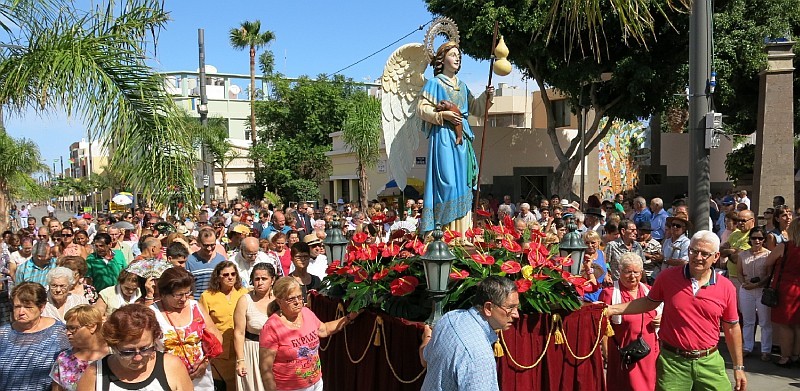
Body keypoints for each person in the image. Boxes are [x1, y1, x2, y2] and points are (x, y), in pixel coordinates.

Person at [608, 231, 746, 391]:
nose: (698, 257)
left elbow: (732, 328)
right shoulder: (667, 277)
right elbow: (647, 303)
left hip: (710, 362)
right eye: (694, 251)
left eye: (705, 254)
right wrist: (611, 309)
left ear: (716, 257)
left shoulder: (726, 286)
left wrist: (738, 367)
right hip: (673, 363)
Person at [416, 40, 493, 236]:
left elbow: (476, 108)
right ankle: (443, 231)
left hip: (463, 138)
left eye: (459, 55)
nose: (457, 58)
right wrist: (442, 116)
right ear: (442, 59)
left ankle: (462, 234)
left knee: (463, 183)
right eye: (453, 54)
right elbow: (422, 109)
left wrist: (487, 95)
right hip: (443, 136)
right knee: (447, 182)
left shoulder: (462, 85)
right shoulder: (434, 83)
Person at [258, 277, 357, 391]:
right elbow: (266, 368)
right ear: (279, 301)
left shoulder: (306, 312)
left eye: (300, 297)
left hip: (316, 383)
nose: (297, 302)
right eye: (291, 299)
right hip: (290, 388)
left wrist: (349, 318)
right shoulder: (271, 327)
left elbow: (323, 329)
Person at [421, 276, 518, 390]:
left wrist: (427, 337)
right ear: (488, 308)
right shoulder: (479, 355)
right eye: (510, 308)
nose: (516, 314)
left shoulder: (449, 318)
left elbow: (425, 359)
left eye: (517, 307)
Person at [76, 303, 193, 391]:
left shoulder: (171, 366)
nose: (138, 358)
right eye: (128, 352)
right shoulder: (95, 374)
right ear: (113, 346)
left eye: (146, 349)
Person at [151, 267, 222, 390]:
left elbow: (216, 337)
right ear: (163, 294)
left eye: (187, 293)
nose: (184, 299)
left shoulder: (196, 307)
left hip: (201, 378)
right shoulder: (152, 313)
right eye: (178, 295)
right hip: (168, 376)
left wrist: (205, 363)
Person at [600, 253, 660, 390]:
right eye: (627, 272)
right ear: (619, 271)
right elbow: (602, 326)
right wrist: (605, 350)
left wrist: (661, 319)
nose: (632, 276)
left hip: (649, 353)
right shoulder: (610, 293)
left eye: (636, 272)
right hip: (624, 353)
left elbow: (664, 313)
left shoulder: (650, 292)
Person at [0, 282, 70, 391]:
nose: (21, 312)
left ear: (42, 307)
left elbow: (69, 372)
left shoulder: (61, 333)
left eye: (28, 307)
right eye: (17, 306)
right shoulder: (3, 333)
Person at [199, 261, 249, 389]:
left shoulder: (244, 293)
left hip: (243, 349)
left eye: (233, 274)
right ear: (218, 277)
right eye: (225, 275)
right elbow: (202, 324)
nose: (230, 277)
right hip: (220, 352)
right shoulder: (207, 296)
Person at [233, 263, 277, 391]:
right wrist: (240, 360)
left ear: (272, 280)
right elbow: (239, 333)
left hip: (275, 351)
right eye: (257, 279)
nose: (260, 282)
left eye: (264, 278)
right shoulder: (245, 300)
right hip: (252, 351)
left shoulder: (279, 300)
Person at [764, 218, 800, 367]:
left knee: (785, 325)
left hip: (786, 288)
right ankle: (796, 355)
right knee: (797, 325)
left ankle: (785, 356)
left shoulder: (785, 246)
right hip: (798, 288)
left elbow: (768, 261)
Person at [50, 305, 109, 391]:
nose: (68, 333)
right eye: (67, 328)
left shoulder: (115, 354)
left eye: (73, 328)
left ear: (92, 327)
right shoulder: (64, 359)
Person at [736, 227, 773, 361]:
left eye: (760, 238)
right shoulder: (742, 255)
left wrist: (757, 284)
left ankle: (766, 350)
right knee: (748, 320)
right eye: (754, 238)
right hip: (746, 289)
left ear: (764, 240)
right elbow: (739, 273)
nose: (757, 241)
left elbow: (769, 274)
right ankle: (747, 347)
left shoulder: (768, 254)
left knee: (764, 321)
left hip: (762, 289)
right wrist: (744, 284)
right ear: (750, 239)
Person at [186, 227, 227, 300]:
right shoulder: (190, 260)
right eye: (206, 245)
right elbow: (187, 286)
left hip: (217, 302)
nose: (209, 248)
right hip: (198, 302)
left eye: (212, 245)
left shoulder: (221, 260)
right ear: (199, 243)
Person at [657, 212, 691, 279]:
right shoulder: (667, 241)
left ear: (683, 229)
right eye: (673, 225)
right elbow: (662, 255)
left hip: (677, 277)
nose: (674, 227)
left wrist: (665, 260)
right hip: (664, 276)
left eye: (678, 226)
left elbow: (684, 262)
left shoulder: (686, 242)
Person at [582, 230, 607, 302]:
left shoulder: (602, 254)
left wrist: (607, 276)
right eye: (587, 243)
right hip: (586, 295)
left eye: (593, 243)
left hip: (600, 293)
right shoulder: (581, 256)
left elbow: (605, 266)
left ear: (598, 242)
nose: (590, 245)